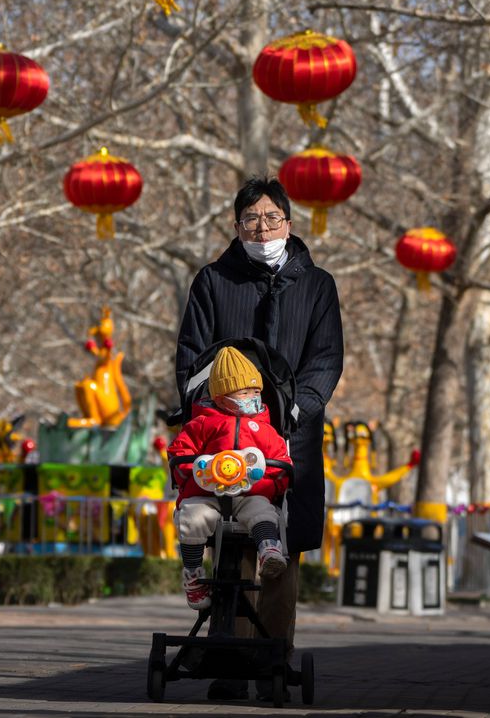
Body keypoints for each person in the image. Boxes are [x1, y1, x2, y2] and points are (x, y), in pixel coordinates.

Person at [174, 176, 343, 701]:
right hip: (222, 433)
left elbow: (326, 359)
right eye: (250, 219)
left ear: (289, 225)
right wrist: (210, 409)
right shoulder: (212, 281)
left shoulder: (317, 286)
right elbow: (191, 354)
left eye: (271, 219)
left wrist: (294, 408)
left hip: (290, 436)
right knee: (227, 538)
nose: (261, 227)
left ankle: (273, 657)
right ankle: (230, 658)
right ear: (236, 226)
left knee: (280, 547)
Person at [168, 346, 292, 609]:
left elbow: (281, 461)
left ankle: (269, 549)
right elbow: (179, 453)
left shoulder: (265, 429)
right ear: (222, 398)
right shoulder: (202, 425)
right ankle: (193, 573)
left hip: (251, 492)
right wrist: (197, 472)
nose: (253, 397)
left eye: (256, 392)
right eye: (245, 392)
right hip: (206, 494)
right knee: (192, 518)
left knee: (262, 511)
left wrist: (267, 482)